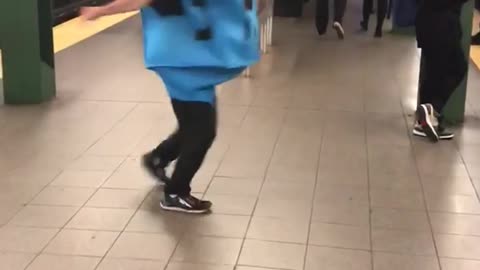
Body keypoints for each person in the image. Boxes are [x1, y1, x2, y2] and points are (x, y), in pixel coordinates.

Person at [81, 0, 261, 213]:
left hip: (195, 55)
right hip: (182, 59)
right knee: (202, 133)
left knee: (192, 127)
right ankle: (175, 193)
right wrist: (101, 11)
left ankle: (158, 158)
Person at [414, 0, 469, 142]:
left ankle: (424, 121)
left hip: (426, 21)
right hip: (443, 25)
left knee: (433, 72)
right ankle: (433, 111)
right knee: (457, 68)